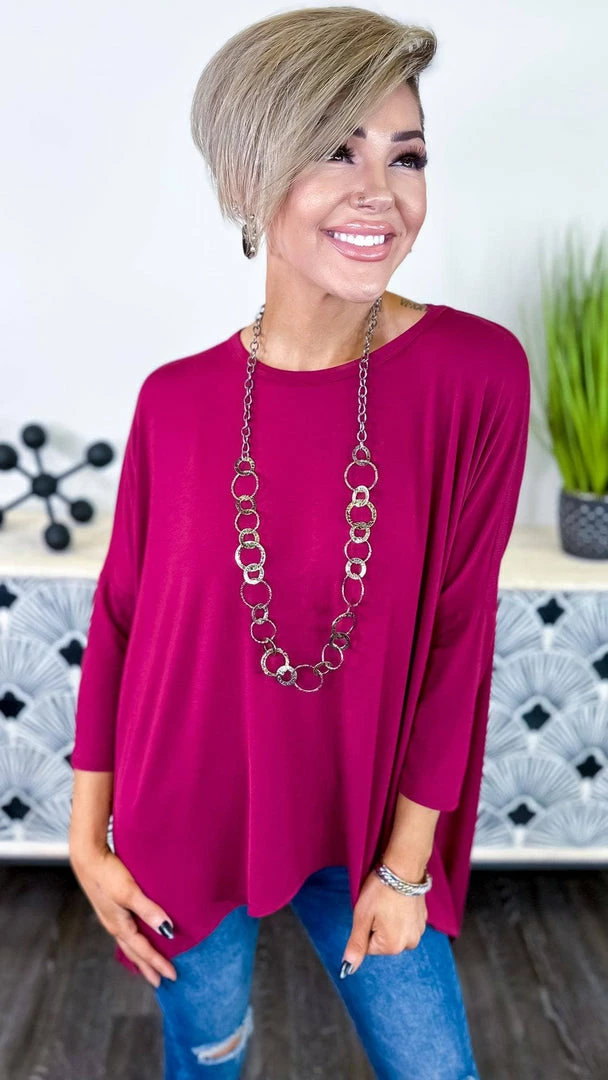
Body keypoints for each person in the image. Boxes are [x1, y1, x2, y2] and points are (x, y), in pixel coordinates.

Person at [69, 7, 530, 1079]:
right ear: (249, 179)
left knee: (435, 1069)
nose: (381, 191)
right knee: (208, 1056)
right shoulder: (175, 400)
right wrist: (88, 842)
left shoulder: (474, 376)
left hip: (368, 824)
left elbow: (459, 634)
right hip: (181, 816)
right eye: (335, 150)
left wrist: (406, 867)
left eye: (405, 156)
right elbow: (123, 618)